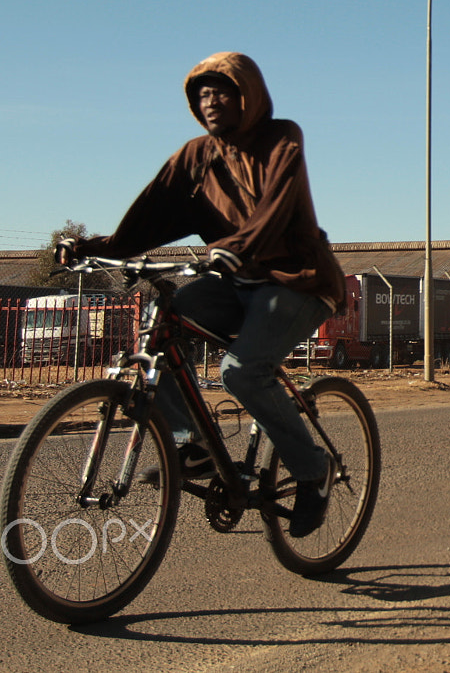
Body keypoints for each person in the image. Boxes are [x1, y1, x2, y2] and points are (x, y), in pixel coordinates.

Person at [57, 52, 346, 537]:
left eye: (222, 92)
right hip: (235, 282)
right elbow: (152, 212)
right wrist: (95, 246)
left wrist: (236, 247)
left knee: (241, 373)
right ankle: (189, 443)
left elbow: (275, 205)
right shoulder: (197, 154)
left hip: (298, 281)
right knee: (161, 330)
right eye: (202, 94)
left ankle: (314, 470)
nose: (210, 101)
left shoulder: (282, 137)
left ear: (247, 96)